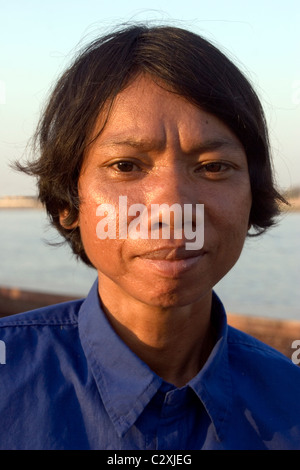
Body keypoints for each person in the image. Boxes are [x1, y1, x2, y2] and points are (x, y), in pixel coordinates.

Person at [0, 23, 299, 451]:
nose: (172, 207)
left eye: (213, 166)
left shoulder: (290, 401)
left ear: (253, 195)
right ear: (68, 201)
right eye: (126, 166)